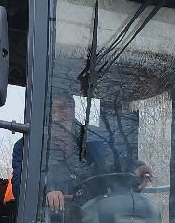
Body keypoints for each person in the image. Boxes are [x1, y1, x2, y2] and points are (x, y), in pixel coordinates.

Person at [10, 91, 153, 213]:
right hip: (47, 220)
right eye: (55, 110)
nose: (61, 115)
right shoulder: (28, 146)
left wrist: (133, 167)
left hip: (91, 217)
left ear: (73, 112)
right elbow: (19, 184)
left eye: (66, 108)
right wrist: (47, 191)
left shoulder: (90, 142)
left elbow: (111, 162)